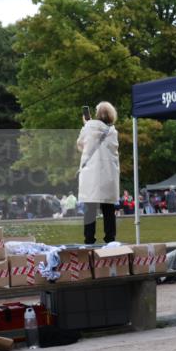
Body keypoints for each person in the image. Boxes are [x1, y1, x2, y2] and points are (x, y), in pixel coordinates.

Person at [77, 101, 120, 244]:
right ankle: (110, 239)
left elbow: (80, 145)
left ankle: (89, 239)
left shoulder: (88, 128)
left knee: (90, 209)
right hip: (108, 174)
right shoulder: (113, 132)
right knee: (109, 208)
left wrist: (86, 125)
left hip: (91, 174)